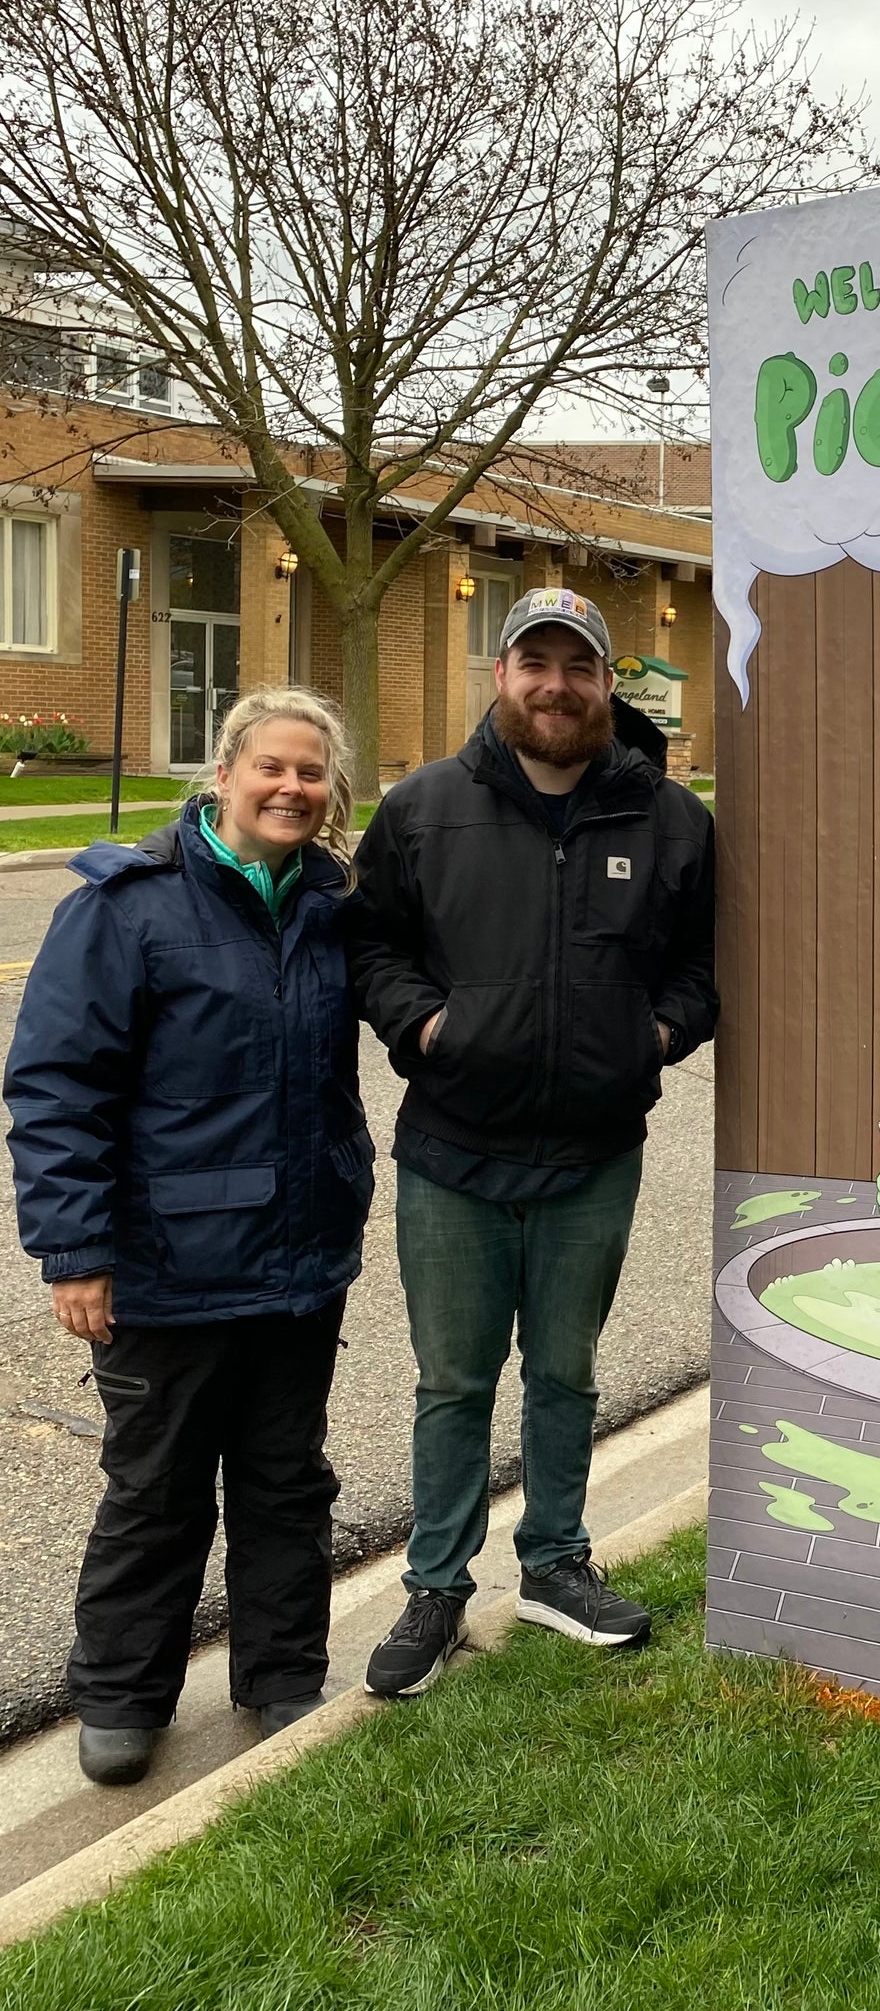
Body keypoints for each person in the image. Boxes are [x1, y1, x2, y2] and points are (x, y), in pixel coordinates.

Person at [346, 586, 716, 1699]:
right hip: (452, 1155)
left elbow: (705, 961)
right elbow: (370, 943)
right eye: (534, 663)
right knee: (453, 1381)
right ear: (500, 675)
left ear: (610, 684)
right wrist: (427, 1024)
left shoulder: (670, 821)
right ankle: (437, 1587)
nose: (555, 685)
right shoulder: (422, 809)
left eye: (579, 666)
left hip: (593, 1155)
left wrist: (656, 1031)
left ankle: (556, 1563)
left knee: (566, 1372)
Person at [7, 689, 373, 1786]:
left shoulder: (331, 904)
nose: (291, 788)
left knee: (283, 1481)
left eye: (312, 773)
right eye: (271, 767)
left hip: (301, 1261)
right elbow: (58, 1083)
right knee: (155, 1489)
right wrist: (74, 1249)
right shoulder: (130, 905)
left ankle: (281, 1674)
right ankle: (121, 1693)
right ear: (223, 775)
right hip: (165, 1270)